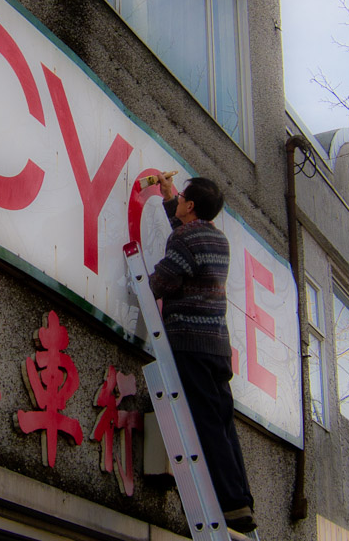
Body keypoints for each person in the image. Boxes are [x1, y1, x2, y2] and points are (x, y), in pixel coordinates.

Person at [148, 175, 256, 534]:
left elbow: (165, 280)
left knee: (206, 424)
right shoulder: (217, 240)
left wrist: (144, 281)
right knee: (223, 421)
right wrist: (166, 198)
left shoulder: (183, 238)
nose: (176, 198)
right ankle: (240, 501)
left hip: (189, 341)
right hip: (217, 347)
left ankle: (227, 503)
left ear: (191, 206)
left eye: (180, 197)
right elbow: (188, 242)